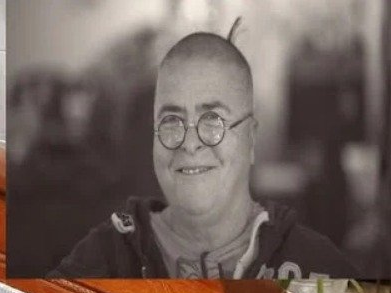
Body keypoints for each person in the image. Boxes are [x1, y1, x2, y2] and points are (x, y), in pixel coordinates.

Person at [48, 29, 357, 280]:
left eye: (213, 121)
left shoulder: (318, 270)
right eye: (171, 121)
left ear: (250, 138)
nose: (190, 143)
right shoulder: (106, 256)